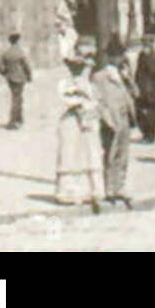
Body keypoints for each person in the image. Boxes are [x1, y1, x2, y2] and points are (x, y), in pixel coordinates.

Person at [55, 47, 104, 212]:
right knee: (70, 153)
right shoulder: (65, 84)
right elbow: (68, 100)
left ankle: (89, 190)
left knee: (88, 153)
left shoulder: (88, 84)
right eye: (75, 67)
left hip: (87, 122)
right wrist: (80, 104)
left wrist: (90, 108)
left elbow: (94, 100)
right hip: (72, 122)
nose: (78, 70)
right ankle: (69, 191)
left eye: (80, 67)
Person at [93, 48, 135, 207]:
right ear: (110, 57)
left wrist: (129, 80)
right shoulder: (100, 77)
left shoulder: (123, 75)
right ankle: (108, 188)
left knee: (123, 154)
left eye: (121, 55)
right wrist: (107, 119)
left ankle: (120, 186)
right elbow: (98, 101)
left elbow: (135, 94)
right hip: (111, 120)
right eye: (116, 55)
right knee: (110, 154)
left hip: (124, 118)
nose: (120, 59)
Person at [0, 33, 33, 129]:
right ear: (18, 41)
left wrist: (5, 73)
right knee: (17, 99)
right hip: (20, 78)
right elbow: (26, 66)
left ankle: (19, 119)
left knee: (16, 97)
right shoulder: (20, 52)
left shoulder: (6, 53)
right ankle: (14, 121)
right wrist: (29, 76)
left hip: (10, 78)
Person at [134, 35, 155, 143]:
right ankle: (145, 132)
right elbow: (138, 71)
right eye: (143, 45)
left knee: (152, 114)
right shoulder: (141, 55)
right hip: (142, 88)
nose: (145, 47)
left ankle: (151, 136)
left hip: (152, 89)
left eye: (147, 45)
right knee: (139, 112)